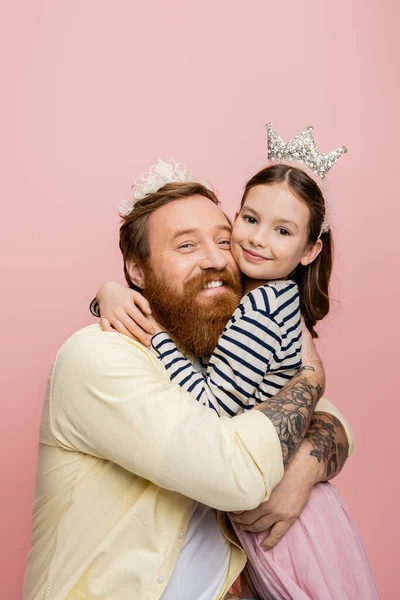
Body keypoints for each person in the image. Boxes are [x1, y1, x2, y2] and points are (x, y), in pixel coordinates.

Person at [23, 158, 354, 600]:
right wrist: (311, 380)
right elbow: (234, 475)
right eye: (185, 247)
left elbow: (332, 424)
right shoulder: (98, 357)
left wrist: (303, 470)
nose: (216, 260)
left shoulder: (212, 345)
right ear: (136, 270)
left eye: (222, 241)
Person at [92, 128, 377, 598]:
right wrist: (112, 294)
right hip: (261, 514)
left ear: (310, 250)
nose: (257, 241)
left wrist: (155, 336)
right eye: (248, 219)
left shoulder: (262, 307)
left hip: (289, 522)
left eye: (283, 231)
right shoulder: (249, 299)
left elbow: (213, 406)